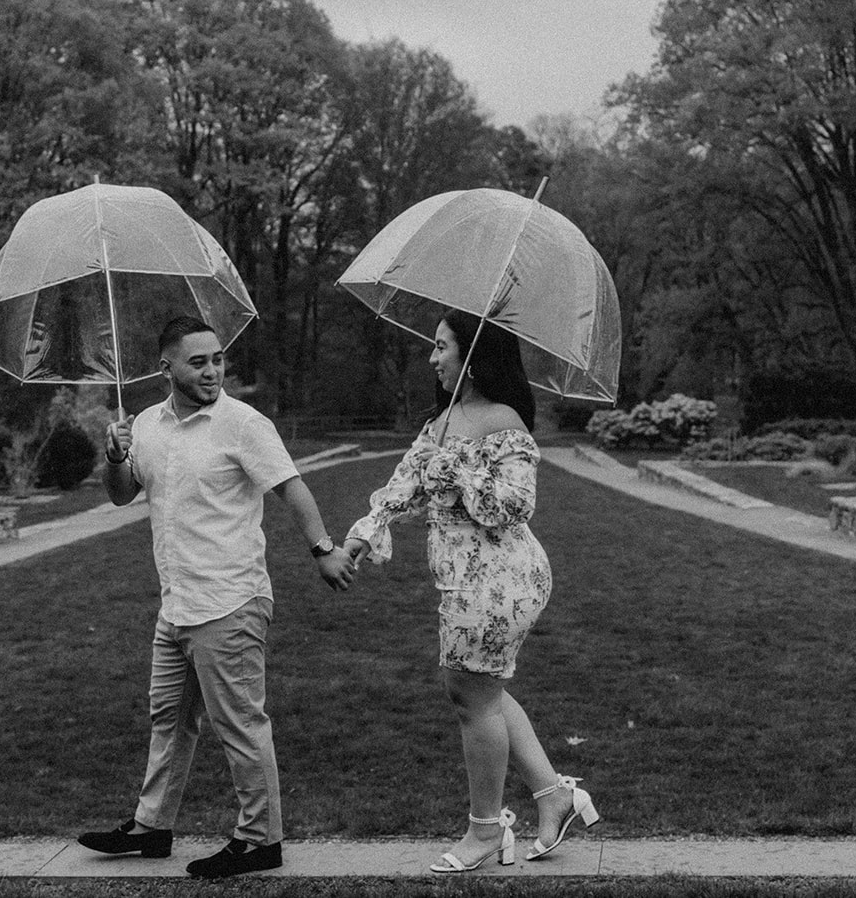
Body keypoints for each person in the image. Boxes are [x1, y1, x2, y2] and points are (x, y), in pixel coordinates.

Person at [76, 315, 356, 879]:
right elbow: (121, 495)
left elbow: (290, 486)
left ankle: (260, 840)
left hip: (230, 600)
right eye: (198, 361)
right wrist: (113, 456)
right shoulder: (147, 426)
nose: (212, 370)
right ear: (167, 368)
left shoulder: (242, 423)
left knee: (240, 723)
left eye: (218, 359)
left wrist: (323, 547)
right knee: (168, 721)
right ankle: (152, 827)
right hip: (175, 602)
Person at [341, 309, 599, 873]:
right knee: (482, 691)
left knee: (470, 694)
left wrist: (457, 467)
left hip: (503, 576)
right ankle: (554, 796)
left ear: (472, 358)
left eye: (441, 347)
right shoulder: (442, 420)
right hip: (462, 579)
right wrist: (363, 535)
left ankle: (484, 830)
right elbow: (403, 484)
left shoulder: (505, 420)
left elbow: (514, 506)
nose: (432, 357)